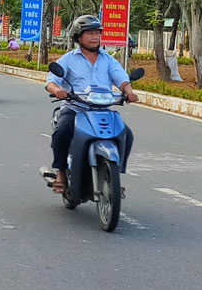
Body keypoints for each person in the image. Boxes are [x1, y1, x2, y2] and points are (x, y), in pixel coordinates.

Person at [45, 15, 139, 194]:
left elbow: (122, 79)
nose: (95, 37)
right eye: (89, 33)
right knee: (62, 131)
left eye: (97, 33)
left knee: (126, 134)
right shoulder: (68, 59)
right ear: (78, 36)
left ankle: (115, 176)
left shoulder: (108, 60)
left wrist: (129, 92)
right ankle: (61, 172)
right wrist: (57, 90)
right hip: (75, 108)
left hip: (102, 109)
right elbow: (52, 80)